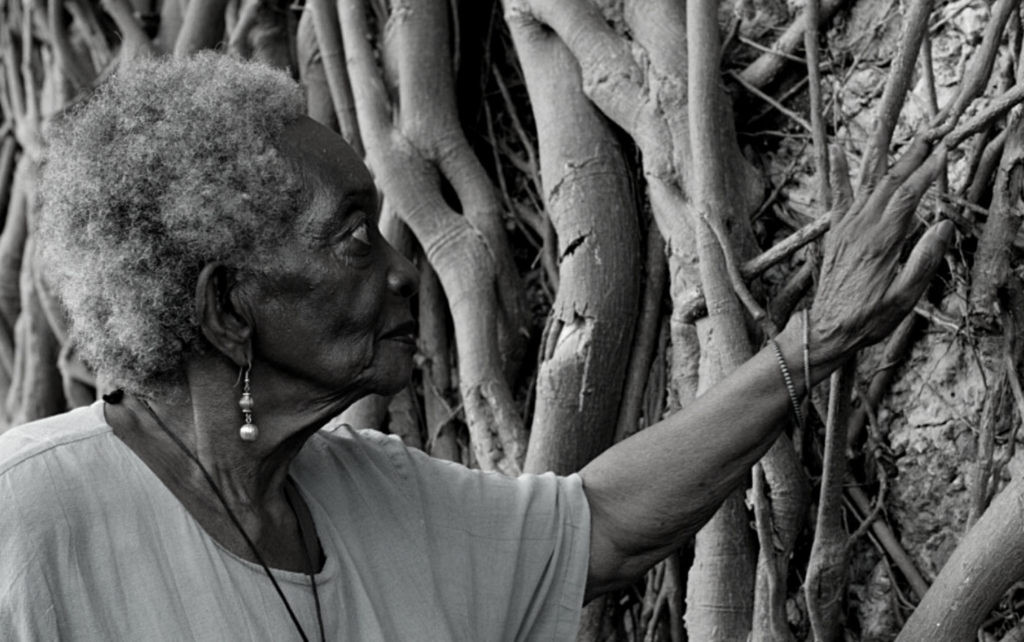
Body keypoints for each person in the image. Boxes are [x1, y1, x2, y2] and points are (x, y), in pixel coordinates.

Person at [0, 52, 951, 641]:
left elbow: (606, 527)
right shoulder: (28, 519)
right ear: (224, 309)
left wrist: (814, 341)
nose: (402, 268)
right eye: (349, 238)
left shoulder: (374, 494)